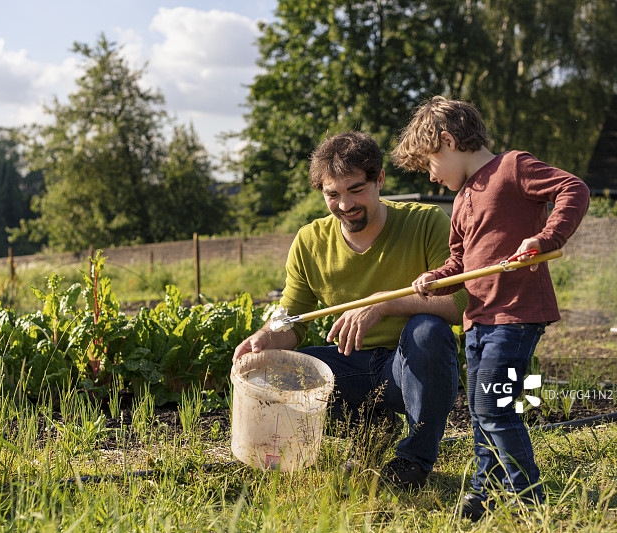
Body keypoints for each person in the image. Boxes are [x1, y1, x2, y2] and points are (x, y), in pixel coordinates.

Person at [233, 130, 468, 490]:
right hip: (351, 362)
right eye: (333, 194)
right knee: (279, 370)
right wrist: (265, 337)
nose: (345, 205)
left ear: (380, 180)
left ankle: (414, 460)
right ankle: (371, 428)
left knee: (428, 331)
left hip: (408, 364)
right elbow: (292, 320)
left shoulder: (425, 223)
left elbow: (459, 303)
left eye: (356, 189)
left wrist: (386, 303)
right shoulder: (310, 241)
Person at [393, 96, 590, 519]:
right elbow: (459, 262)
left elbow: (573, 188)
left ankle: (528, 500)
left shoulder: (512, 167)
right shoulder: (461, 200)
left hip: (515, 317)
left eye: (429, 164)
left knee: (494, 409)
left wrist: (546, 238)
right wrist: (434, 277)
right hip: (477, 321)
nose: (431, 176)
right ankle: (486, 493)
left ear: (447, 141)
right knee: (482, 412)